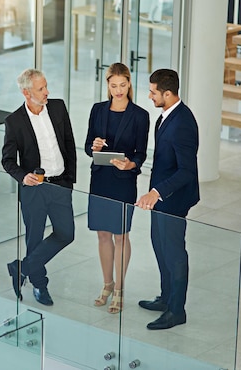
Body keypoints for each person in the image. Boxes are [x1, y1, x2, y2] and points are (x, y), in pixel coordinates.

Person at [2, 68, 76, 306]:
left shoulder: (57, 107)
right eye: (41, 88)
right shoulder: (14, 121)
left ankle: (20, 268)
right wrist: (23, 176)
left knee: (66, 233)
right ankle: (40, 285)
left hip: (60, 185)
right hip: (34, 190)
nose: (47, 92)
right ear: (26, 92)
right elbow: (8, 160)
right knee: (34, 238)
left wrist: (70, 180)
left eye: (46, 86)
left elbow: (69, 143)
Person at [135, 68, 199, 330]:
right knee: (160, 248)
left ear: (168, 93)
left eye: (153, 92)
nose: (149, 96)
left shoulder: (183, 123)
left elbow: (187, 170)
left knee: (174, 254)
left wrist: (157, 192)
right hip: (159, 199)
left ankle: (176, 310)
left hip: (172, 200)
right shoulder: (165, 117)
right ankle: (166, 297)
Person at [85, 63, 149, 314]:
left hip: (123, 181)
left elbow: (142, 153)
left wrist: (130, 164)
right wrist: (95, 146)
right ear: (108, 85)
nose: (118, 90)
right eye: (113, 86)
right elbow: (87, 146)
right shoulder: (97, 110)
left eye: (123, 85)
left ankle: (120, 289)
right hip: (100, 179)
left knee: (121, 235)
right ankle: (107, 284)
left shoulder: (140, 115)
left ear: (129, 84)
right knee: (102, 234)